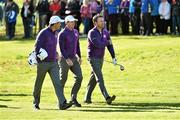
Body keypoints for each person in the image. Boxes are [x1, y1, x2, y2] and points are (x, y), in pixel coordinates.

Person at [33, 16, 72, 110]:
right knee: (39, 83)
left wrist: (57, 53)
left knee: (57, 83)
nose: (60, 24)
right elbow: (37, 46)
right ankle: (36, 102)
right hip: (43, 63)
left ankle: (62, 103)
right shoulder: (43, 33)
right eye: (59, 23)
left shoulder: (56, 33)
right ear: (54, 24)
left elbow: (52, 47)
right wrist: (40, 56)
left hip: (53, 63)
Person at [84, 14, 118, 104]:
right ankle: (107, 97)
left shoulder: (105, 32)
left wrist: (113, 57)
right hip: (93, 58)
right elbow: (98, 44)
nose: (103, 22)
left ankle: (87, 98)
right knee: (99, 77)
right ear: (95, 23)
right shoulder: (92, 32)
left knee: (94, 78)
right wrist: (107, 42)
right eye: (101, 21)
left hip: (100, 58)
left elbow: (110, 45)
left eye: (103, 21)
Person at [58, 15, 83, 107]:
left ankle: (73, 98)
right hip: (65, 59)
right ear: (66, 23)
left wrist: (79, 56)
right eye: (71, 22)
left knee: (79, 77)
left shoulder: (76, 32)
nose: (73, 23)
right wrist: (67, 59)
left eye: (74, 22)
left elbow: (77, 45)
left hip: (74, 58)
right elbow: (61, 48)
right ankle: (61, 101)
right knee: (62, 80)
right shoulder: (62, 33)